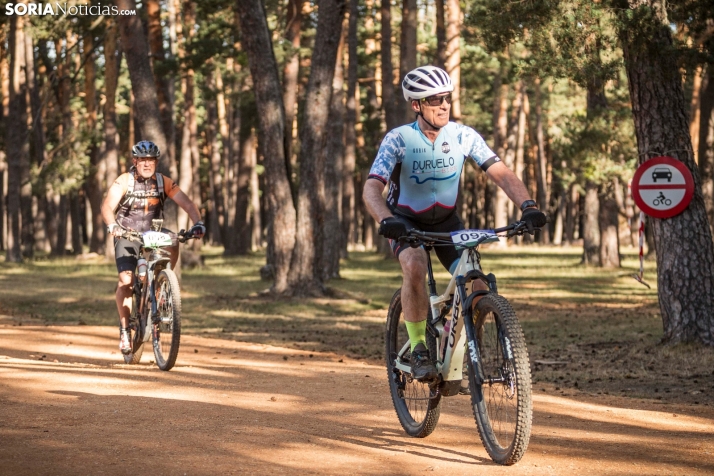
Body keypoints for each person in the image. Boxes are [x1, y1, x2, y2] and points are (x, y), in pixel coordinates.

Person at [363, 66, 547, 381]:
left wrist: (528, 206)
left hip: (447, 222)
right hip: (405, 221)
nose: (444, 105)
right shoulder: (399, 139)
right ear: (417, 105)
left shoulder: (463, 136)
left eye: (447, 98)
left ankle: (454, 337)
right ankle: (420, 348)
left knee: (478, 285)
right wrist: (386, 219)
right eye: (434, 100)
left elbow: (500, 172)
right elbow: (371, 188)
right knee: (415, 265)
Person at [101, 140, 205, 355]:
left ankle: (164, 280)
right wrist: (113, 225)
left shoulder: (163, 182)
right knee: (126, 281)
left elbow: (186, 203)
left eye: (151, 160)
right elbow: (107, 206)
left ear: (156, 162)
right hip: (127, 233)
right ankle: (124, 330)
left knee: (175, 239)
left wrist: (198, 222)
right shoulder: (124, 181)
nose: (147, 164)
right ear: (135, 161)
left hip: (152, 232)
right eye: (142, 160)